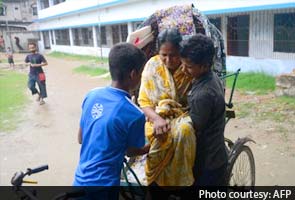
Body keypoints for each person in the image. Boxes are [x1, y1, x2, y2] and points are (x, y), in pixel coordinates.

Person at [73, 43, 149, 194]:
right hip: (105, 185)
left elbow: (81, 138)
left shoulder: (92, 95)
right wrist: (151, 147)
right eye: (141, 73)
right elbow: (131, 151)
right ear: (133, 74)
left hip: (79, 181)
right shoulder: (135, 113)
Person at [138, 28, 196, 188]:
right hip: (155, 118)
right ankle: (157, 182)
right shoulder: (152, 66)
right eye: (164, 55)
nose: (169, 60)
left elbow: (194, 101)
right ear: (158, 52)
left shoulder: (188, 68)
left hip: (181, 116)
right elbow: (144, 102)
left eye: (174, 55)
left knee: (184, 132)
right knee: (159, 135)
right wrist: (157, 119)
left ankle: (181, 182)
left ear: (180, 52)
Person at [180, 34, 228, 186]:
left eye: (188, 66)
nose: (183, 69)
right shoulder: (211, 77)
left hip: (208, 164)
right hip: (216, 152)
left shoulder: (204, 94)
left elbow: (194, 129)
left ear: (205, 65)